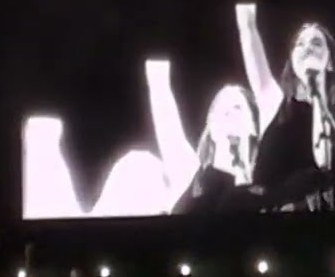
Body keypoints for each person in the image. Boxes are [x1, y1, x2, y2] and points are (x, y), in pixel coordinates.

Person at [89, 61, 263, 216]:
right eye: (223, 111)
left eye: (237, 108)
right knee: (140, 161)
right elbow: (166, 119)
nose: (230, 115)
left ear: (253, 126)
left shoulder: (263, 183)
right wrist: (157, 73)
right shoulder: (190, 171)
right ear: (212, 127)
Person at [235, 3, 335, 208]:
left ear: (330, 63)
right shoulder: (273, 101)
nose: (308, 48)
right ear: (292, 60)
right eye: (300, 44)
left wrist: (318, 87)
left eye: (316, 43)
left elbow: (325, 160)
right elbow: (247, 27)